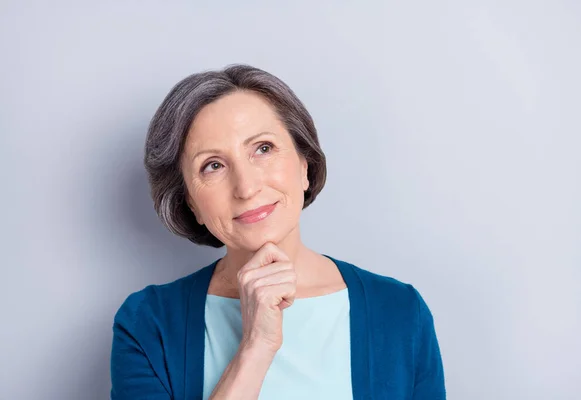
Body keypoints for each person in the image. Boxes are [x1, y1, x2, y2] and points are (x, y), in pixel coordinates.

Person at [110, 64, 446, 399]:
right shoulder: (147, 325)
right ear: (191, 204)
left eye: (263, 148)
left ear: (305, 166)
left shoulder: (401, 313)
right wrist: (256, 346)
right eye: (213, 165)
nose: (246, 187)